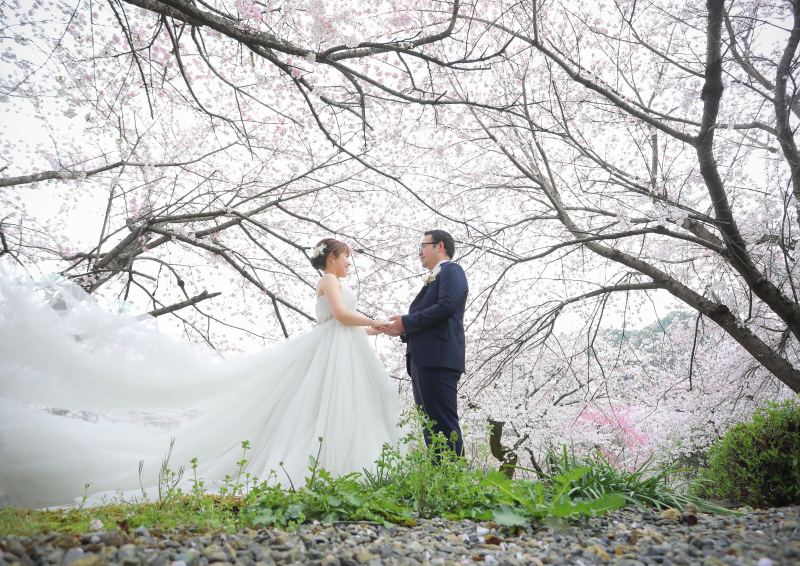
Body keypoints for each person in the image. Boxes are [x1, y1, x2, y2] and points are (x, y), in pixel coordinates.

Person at [0, 238, 400, 509]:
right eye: (346, 256)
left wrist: (375, 329)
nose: (349, 262)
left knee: (347, 407)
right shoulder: (328, 279)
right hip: (332, 350)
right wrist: (376, 321)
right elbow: (340, 316)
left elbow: (345, 323)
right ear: (331, 257)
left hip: (342, 348)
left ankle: (351, 472)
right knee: (326, 407)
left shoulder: (334, 279)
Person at [384, 230, 468, 456]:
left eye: (423, 246)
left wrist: (407, 321)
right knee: (431, 427)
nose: (419, 252)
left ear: (440, 246)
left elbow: (446, 306)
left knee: (443, 425)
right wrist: (403, 328)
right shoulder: (436, 275)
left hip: (438, 359)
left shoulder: (452, 270)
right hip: (424, 359)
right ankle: (440, 475)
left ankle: (454, 476)